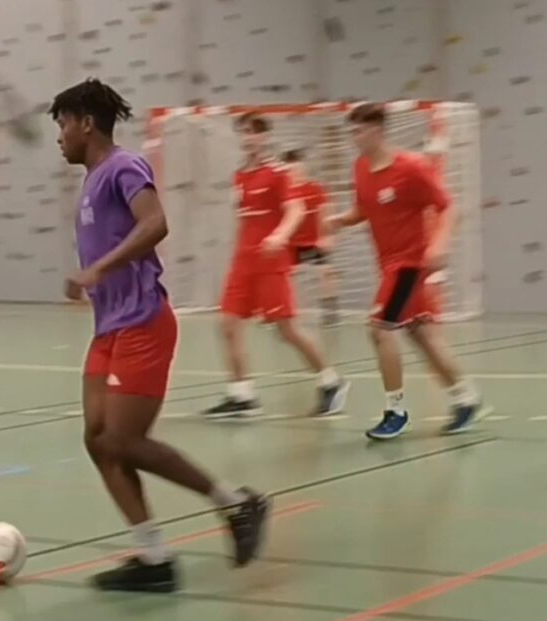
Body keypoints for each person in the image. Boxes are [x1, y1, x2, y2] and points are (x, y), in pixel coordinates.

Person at [49, 78, 270, 592]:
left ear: (85, 122)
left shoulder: (122, 167)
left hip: (144, 323)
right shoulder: (91, 179)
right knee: (99, 441)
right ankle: (154, 558)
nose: (59, 136)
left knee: (125, 439)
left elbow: (155, 223)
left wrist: (97, 268)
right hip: (108, 329)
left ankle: (238, 504)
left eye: (62, 124)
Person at [332, 102, 488, 440]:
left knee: (380, 328)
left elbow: (448, 207)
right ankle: (466, 397)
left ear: (378, 129)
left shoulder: (411, 168)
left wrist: (441, 244)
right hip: (386, 264)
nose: (354, 137)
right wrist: (339, 221)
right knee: (422, 335)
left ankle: (396, 411)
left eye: (359, 130)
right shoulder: (360, 168)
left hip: (410, 264)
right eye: (352, 131)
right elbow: (363, 208)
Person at [202, 114, 349, 419]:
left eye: (254, 133)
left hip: (271, 262)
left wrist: (280, 235)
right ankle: (242, 395)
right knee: (228, 324)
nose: (248, 138)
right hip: (243, 263)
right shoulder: (240, 176)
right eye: (244, 133)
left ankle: (331, 382)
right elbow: (244, 220)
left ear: (265, 137)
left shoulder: (279, 173)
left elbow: (295, 210)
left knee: (287, 329)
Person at [280, 147, 342, 327]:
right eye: (291, 170)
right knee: (281, 276)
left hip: (313, 243)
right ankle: (280, 311)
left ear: (304, 169)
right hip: (290, 244)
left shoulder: (315, 189)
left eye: (298, 169)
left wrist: (327, 236)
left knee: (327, 272)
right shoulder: (284, 192)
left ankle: (330, 312)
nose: (295, 173)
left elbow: (327, 211)